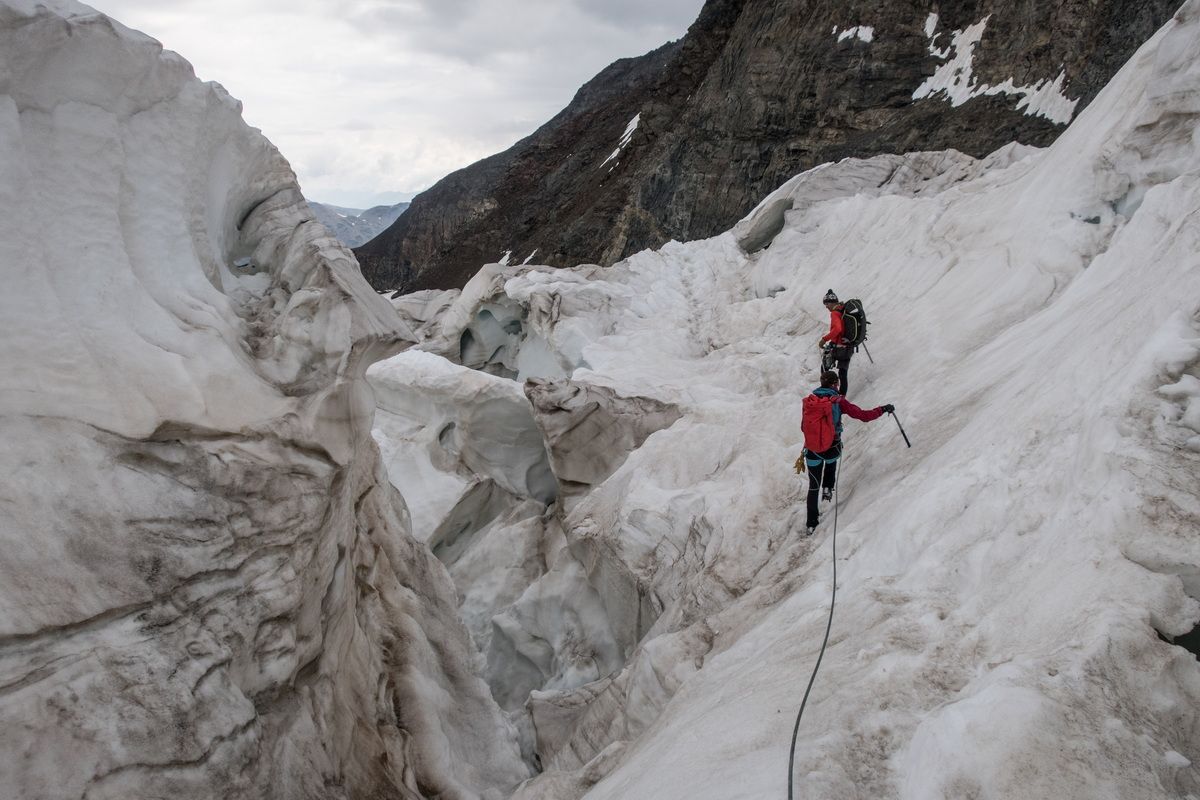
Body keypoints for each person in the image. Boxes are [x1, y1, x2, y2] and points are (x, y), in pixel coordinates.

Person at [800, 371, 894, 533]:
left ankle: (811, 524)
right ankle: (828, 487)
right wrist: (883, 409)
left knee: (813, 487)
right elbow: (863, 415)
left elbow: (804, 426)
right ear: (835, 384)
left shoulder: (810, 401)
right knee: (831, 461)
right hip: (831, 447)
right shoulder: (838, 401)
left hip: (812, 450)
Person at [818, 289, 855, 397]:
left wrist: (824, 339)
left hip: (837, 348)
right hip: (848, 347)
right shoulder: (844, 309)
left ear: (832, 302)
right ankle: (842, 398)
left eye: (827, 304)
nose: (826, 307)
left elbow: (838, 329)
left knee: (824, 370)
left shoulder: (835, 313)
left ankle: (828, 394)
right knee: (843, 374)